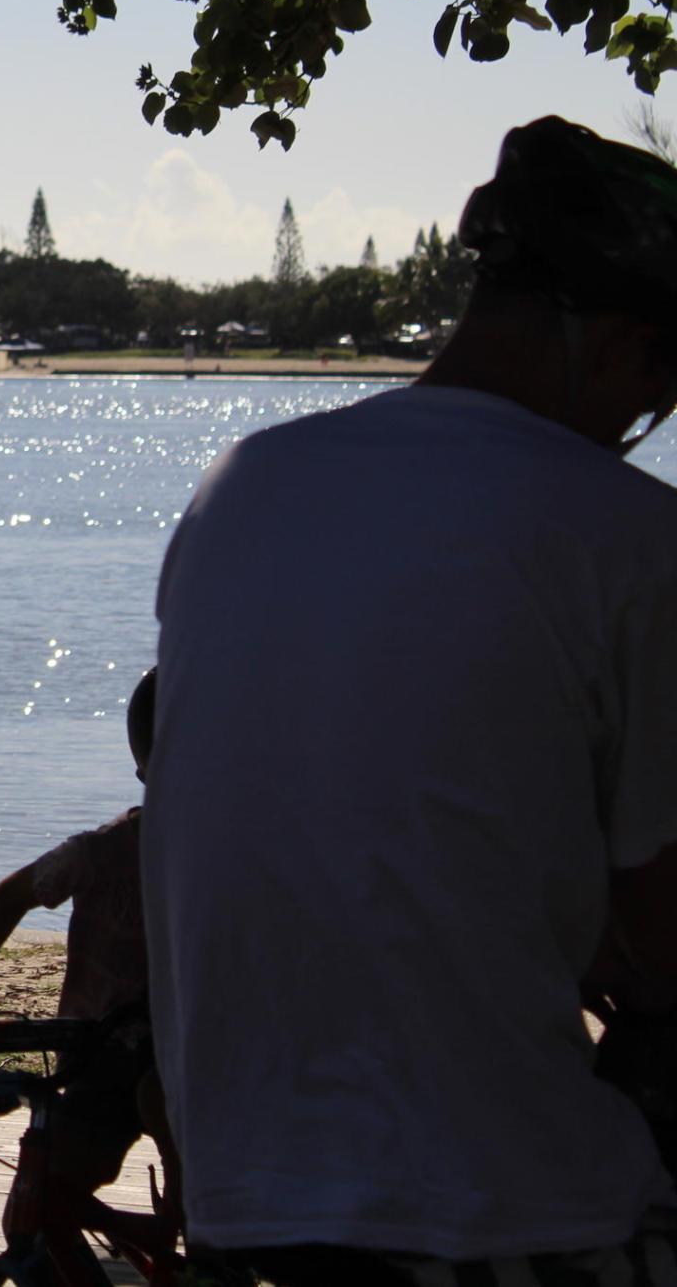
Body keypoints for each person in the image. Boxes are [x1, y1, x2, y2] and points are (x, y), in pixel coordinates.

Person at [143, 116, 677, 1286]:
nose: (642, 428)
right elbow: (661, 919)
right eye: (661, 385)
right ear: (623, 340)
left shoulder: (248, 483)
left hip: (238, 1189)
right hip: (493, 1207)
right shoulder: (629, 533)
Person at [0, 670, 162, 1198]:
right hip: (99, 1057)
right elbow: (9, 896)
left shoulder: (240, 861)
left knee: (190, 1154)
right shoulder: (101, 853)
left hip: (192, 1061)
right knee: (53, 1186)